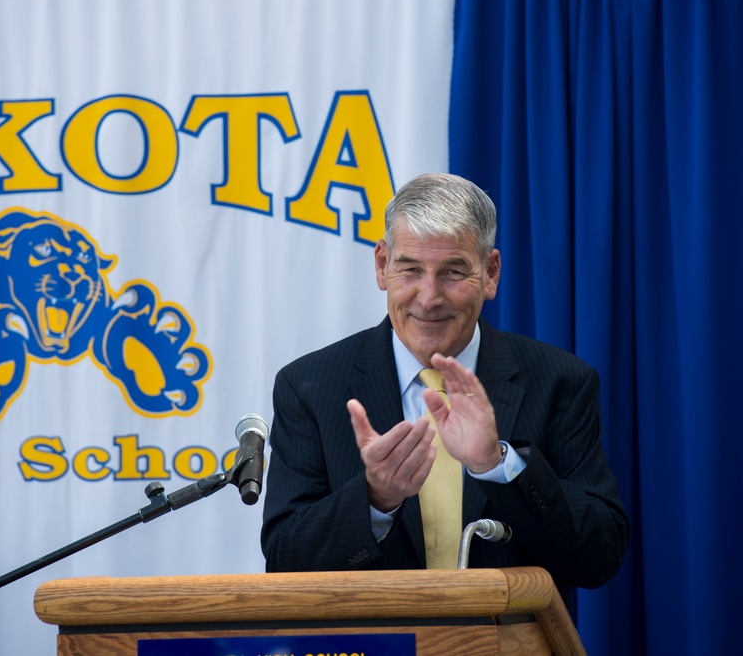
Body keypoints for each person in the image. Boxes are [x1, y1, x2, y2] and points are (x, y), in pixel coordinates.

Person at [260, 172, 629, 604]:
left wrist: (499, 466)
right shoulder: (310, 386)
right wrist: (376, 498)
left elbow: (599, 556)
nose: (429, 297)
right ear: (382, 266)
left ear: (490, 274)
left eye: (453, 272)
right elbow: (285, 563)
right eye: (410, 269)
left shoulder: (559, 381)